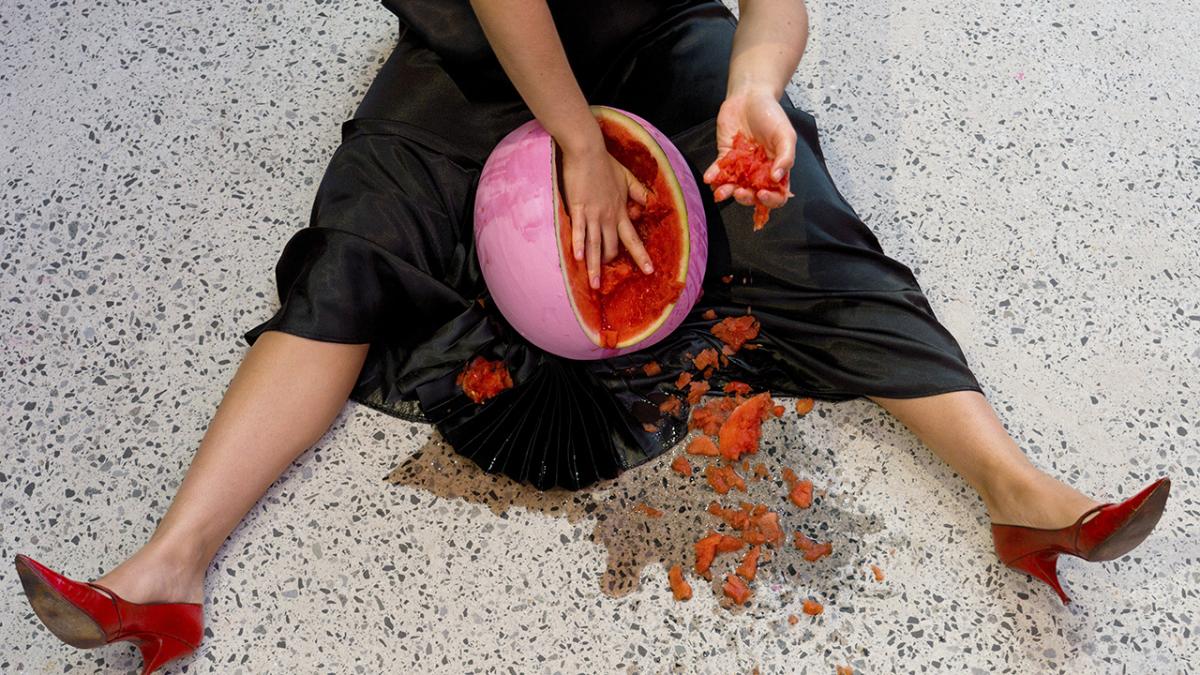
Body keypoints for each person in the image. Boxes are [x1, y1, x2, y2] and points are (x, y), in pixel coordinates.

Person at [14, 1, 1170, 673]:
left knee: (797, 219)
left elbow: (772, 2)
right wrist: (575, 140)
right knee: (356, 250)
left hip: (656, 28)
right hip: (473, 47)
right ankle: (171, 567)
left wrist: (756, 86)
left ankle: (1016, 492)